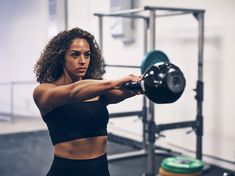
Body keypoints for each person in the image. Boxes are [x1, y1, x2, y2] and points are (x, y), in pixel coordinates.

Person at [33, 27, 141, 176]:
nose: (83, 61)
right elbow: (73, 92)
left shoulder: (97, 90)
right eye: (75, 55)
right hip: (66, 171)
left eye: (87, 55)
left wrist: (143, 85)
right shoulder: (44, 91)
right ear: (61, 57)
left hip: (100, 170)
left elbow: (122, 92)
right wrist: (114, 82)